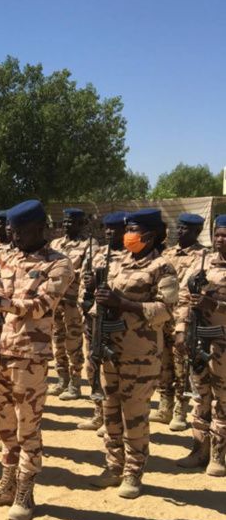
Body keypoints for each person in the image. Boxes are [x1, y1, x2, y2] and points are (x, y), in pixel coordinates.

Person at [0, 200, 72, 520]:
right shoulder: (5, 257)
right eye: (11, 231)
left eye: (20, 231)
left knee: (28, 426)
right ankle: (7, 483)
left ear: (39, 229)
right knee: (4, 424)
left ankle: (26, 491)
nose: (13, 237)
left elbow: (40, 305)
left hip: (29, 357)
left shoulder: (58, 265)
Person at [89, 209, 178, 499]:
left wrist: (124, 303)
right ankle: (114, 466)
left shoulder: (163, 267)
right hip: (111, 350)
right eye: (127, 229)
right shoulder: (118, 262)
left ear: (150, 235)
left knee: (134, 415)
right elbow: (104, 303)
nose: (128, 235)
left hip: (140, 354)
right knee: (110, 411)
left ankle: (134, 472)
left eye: (134, 230)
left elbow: (166, 310)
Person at [174, 215, 226, 475]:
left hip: (222, 343)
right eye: (217, 234)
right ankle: (198, 450)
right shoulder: (201, 262)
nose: (220, 239)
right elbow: (184, 298)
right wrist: (182, 330)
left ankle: (218, 455)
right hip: (199, 338)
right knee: (200, 396)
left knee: (222, 400)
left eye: (225, 235)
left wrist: (215, 305)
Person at [153, 212, 208, 430]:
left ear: (197, 232)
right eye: (179, 227)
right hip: (163, 317)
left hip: (183, 319)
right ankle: (164, 406)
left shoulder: (202, 257)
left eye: (185, 228)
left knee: (181, 366)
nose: (180, 231)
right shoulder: (167, 253)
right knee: (163, 364)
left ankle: (180, 410)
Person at [77, 211, 126, 432]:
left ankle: (116, 419)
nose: (109, 232)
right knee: (93, 366)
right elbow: (83, 286)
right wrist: (86, 296)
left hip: (119, 324)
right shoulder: (97, 254)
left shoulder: (130, 258)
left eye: (114, 228)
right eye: (107, 228)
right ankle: (99, 413)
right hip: (94, 319)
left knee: (117, 372)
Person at [49, 208, 91, 400]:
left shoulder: (89, 245)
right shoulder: (56, 244)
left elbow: (86, 275)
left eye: (71, 222)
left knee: (73, 342)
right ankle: (62, 379)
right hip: (55, 301)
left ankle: (75, 383)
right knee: (57, 340)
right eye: (65, 221)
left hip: (73, 303)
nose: (66, 225)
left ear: (81, 224)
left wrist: (81, 300)